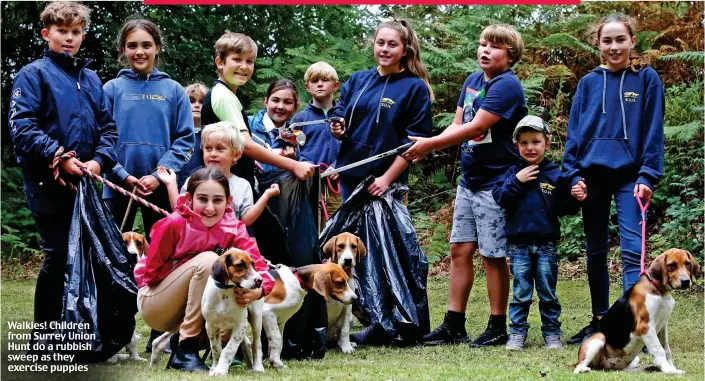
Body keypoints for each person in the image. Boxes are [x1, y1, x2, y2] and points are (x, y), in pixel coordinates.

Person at [403, 24, 527, 347]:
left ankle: (498, 325)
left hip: (496, 182)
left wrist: (428, 145)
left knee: (492, 255)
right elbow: (458, 124)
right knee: (460, 250)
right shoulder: (473, 81)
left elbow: (478, 125)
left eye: (495, 46)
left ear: (510, 55)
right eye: (482, 43)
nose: (485, 50)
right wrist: (429, 141)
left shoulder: (507, 86)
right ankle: (454, 324)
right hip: (468, 181)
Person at [7, 1, 118, 342]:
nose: (69, 38)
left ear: (82, 36)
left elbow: (109, 129)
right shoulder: (33, 74)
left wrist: (99, 161)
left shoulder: (92, 78)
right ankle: (42, 342)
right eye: (62, 32)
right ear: (46, 34)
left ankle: (81, 336)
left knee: (87, 258)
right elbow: (22, 127)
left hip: (87, 182)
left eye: (75, 32)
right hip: (48, 180)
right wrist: (58, 155)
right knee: (57, 256)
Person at [561, 13, 665, 345]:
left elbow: (652, 132)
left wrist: (648, 174)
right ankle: (600, 320)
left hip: (631, 178)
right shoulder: (588, 83)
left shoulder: (646, 79)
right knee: (595, 251)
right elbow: (574, 134)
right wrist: (572, 174)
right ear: (598, 44)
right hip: (591, 178)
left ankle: (631, 323)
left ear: (632, 41)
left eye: (621, 39)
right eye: (608, 40)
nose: (615, 46)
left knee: (633, 251)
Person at [329, 17, 434, 345]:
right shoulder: (358, 80)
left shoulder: (414, 87)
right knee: (354, 253)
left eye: (392, 44)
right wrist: (337, 127)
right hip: (350, 178)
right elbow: (341, 113)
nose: (385, 49)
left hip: (384, 184)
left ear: (405, 49)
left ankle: (398, 323)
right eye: (380, 43)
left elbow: (414, 143)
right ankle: (364, 319)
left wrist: (387, 179)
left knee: (388, 253)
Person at [134, 166, 274, 372]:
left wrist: (257, 292)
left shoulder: (236, 228)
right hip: (155, 302)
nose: (209, 207)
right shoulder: (173, 223)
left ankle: (185, 344)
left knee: (226, 314)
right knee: (211, 261)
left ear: (228, 201)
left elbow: (260, 269)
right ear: (190, 199)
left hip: (198, 308)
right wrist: (189, 271)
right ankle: (185, 348)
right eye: (202, 199)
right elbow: (150, 274)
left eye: (217, 200)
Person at [492, 115, 578, 350]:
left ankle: (552, 333)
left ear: (547, 143)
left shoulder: (555, 175)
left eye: (535, 141)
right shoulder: (511, 172)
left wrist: (577, 197)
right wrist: (517, 181)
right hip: (518, 245)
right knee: (521, 292)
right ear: (516, 145)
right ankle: (517, 334)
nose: (530, 147)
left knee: (548, 292)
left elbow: (563, 208)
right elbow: (500, 198)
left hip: (546, 244)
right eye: (524, 143)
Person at [102, 18, 194, 238]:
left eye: (146, 45)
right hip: (117, 184)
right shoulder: (111, 89)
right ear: (124, 49)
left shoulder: (174, 91)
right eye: (132, 46)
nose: (139, 52)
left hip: (161, 187)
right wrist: (121, 173)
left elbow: (185, 140)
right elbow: (100, 138)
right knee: (110, 249)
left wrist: (158, 176)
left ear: (157, 47)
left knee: (163, 250)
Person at [200, 31, 314, 190]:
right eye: (237, 59)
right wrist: (293, 165)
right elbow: (246, 145)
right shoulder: (224, 96)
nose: (244, 67)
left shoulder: (225, 93)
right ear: (220, 62)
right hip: (225, 187)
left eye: (250, 61)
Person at [160, 121, 281, 226]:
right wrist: (171, 183)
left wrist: (266, 196)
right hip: (196, 241)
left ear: (236, 155)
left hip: (228, 244)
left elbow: (246, 220)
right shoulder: (194, 179)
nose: (212, 153)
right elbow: (180, 209)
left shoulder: (242, 185)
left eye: (220, 148)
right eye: (208, 148)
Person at [291, 62, 342, 224]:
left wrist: (339, 164)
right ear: (307, 86)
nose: (319, 84)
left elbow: (354, 146)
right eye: (314, 81)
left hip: (337, 183)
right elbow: (292, 149)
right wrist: (303, 164)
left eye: (325, 80)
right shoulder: (299, 119)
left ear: (335, 85)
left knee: (336, 228)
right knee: (310, 227)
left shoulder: (344, 115)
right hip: (308, 185)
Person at [249, 79, 302, 173]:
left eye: (287, 102)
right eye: (275, 100)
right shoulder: (247, 124)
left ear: (295, 107)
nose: (280, 106)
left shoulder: (295, 137)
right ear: (266, 102)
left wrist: (290, 163)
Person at [178, 82, 209, 188]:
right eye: (191, 101)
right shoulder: (176, 133)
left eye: (201, 102)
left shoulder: (213, 134)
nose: (197, 105)